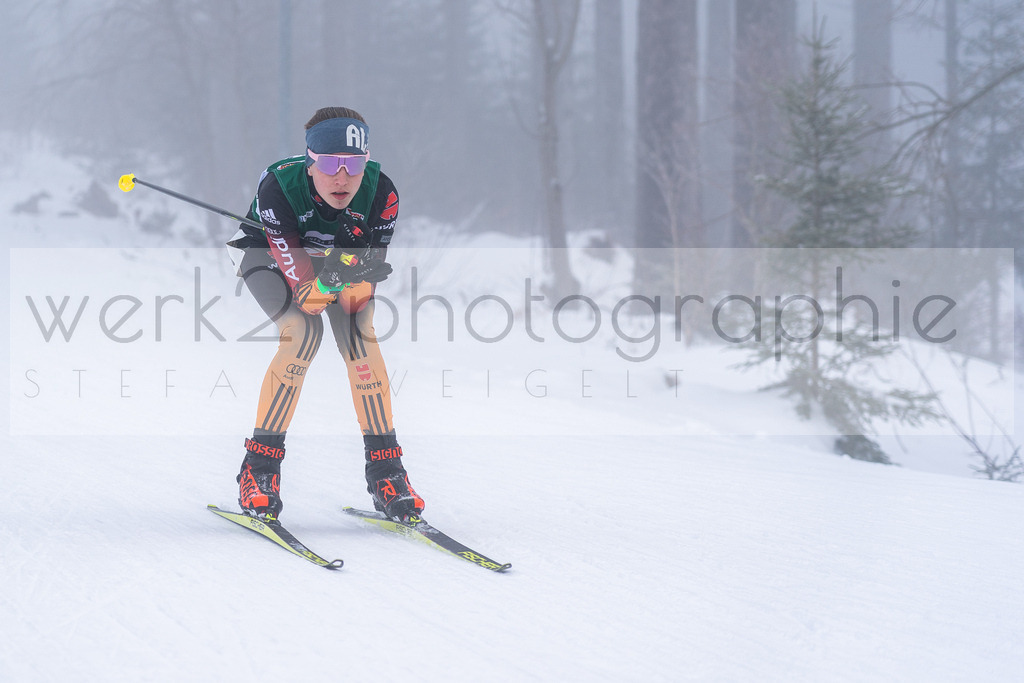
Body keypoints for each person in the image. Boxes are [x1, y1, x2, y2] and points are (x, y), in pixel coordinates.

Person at [229, 106, 423, 522]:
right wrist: (334, 273)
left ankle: (387, 474)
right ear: (310, 161)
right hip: (269, 257)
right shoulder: (278, 186)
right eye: (331, 163)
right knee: (302, 334)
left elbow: (356, 301)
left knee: (361, 340)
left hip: (332, 271)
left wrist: (349, 266)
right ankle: (259, 470)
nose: (342, 177)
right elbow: (306, 296)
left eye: (354, 164)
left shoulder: (382, 194)